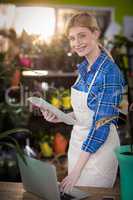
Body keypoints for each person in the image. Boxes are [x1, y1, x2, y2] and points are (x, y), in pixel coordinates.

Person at [41, 12, 125, 192]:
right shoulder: (84, 68)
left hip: (99, 152)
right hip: (79, 147)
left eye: (82, 35)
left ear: (96, 33)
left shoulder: (110, 73)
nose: (76, 43)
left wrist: (75, 172)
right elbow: (85, 113)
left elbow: (101, 126)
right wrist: (61, 117)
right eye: (72, 38)